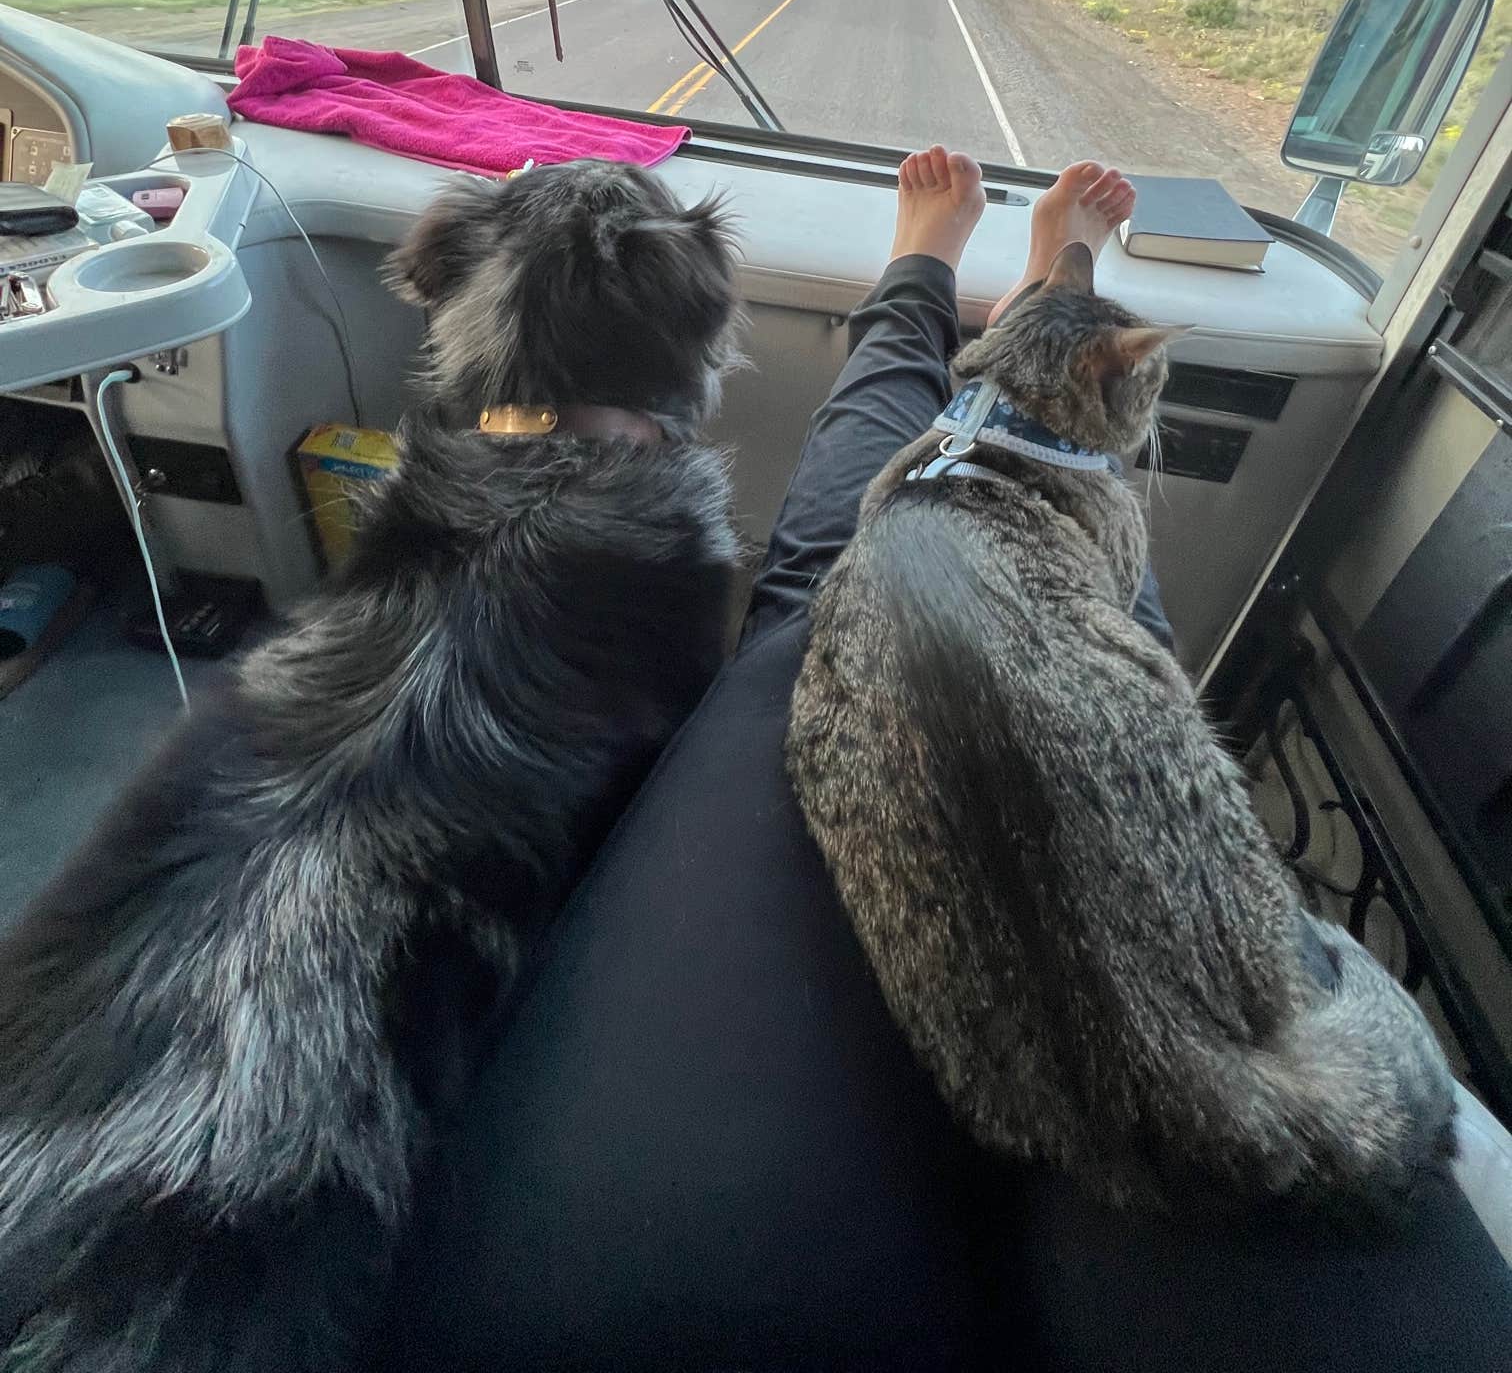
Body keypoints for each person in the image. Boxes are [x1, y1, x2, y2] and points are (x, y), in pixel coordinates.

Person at [392, 152, 1512, 1372]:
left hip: (666, 1158)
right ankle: (1026, 332)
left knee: (851, 545)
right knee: (1077, 557)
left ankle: (939, 293)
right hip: (1233, 1112)